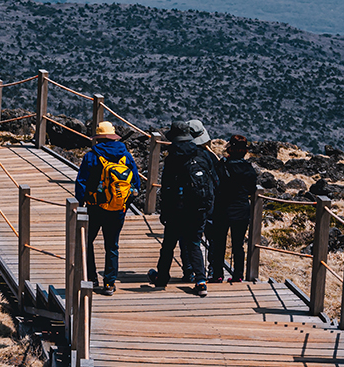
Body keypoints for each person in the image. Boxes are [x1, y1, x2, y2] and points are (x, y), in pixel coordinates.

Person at [149, 119, 219, 294]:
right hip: (199, 210)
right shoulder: (202, 155)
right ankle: (201, 281)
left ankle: (162, 278)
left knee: (168, 246)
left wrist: (164, 212)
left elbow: (166, 188)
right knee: (194, 243)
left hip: (176, 210)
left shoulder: (172, 158)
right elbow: (213, 182)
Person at [74, 121, 142, 295]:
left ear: (98, 138)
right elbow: (136, 184)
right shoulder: (126, 156)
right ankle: (109, 283)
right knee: (112, 246)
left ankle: (91, 277)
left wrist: (81, 203)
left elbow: (81, 182)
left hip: (95, 207)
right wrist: (124, 204)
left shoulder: (91, 156)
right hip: (117, 209)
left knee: (87, 242)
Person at [207, 136, 257, 283]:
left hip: (222, 208)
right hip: (241, 209)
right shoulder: (248, 168)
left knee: (218, 242)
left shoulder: (222, 165)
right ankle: (238, 275)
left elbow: (215, 183)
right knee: (238, 245)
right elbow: (251, 189)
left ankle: (217, 274)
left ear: (230, 149)